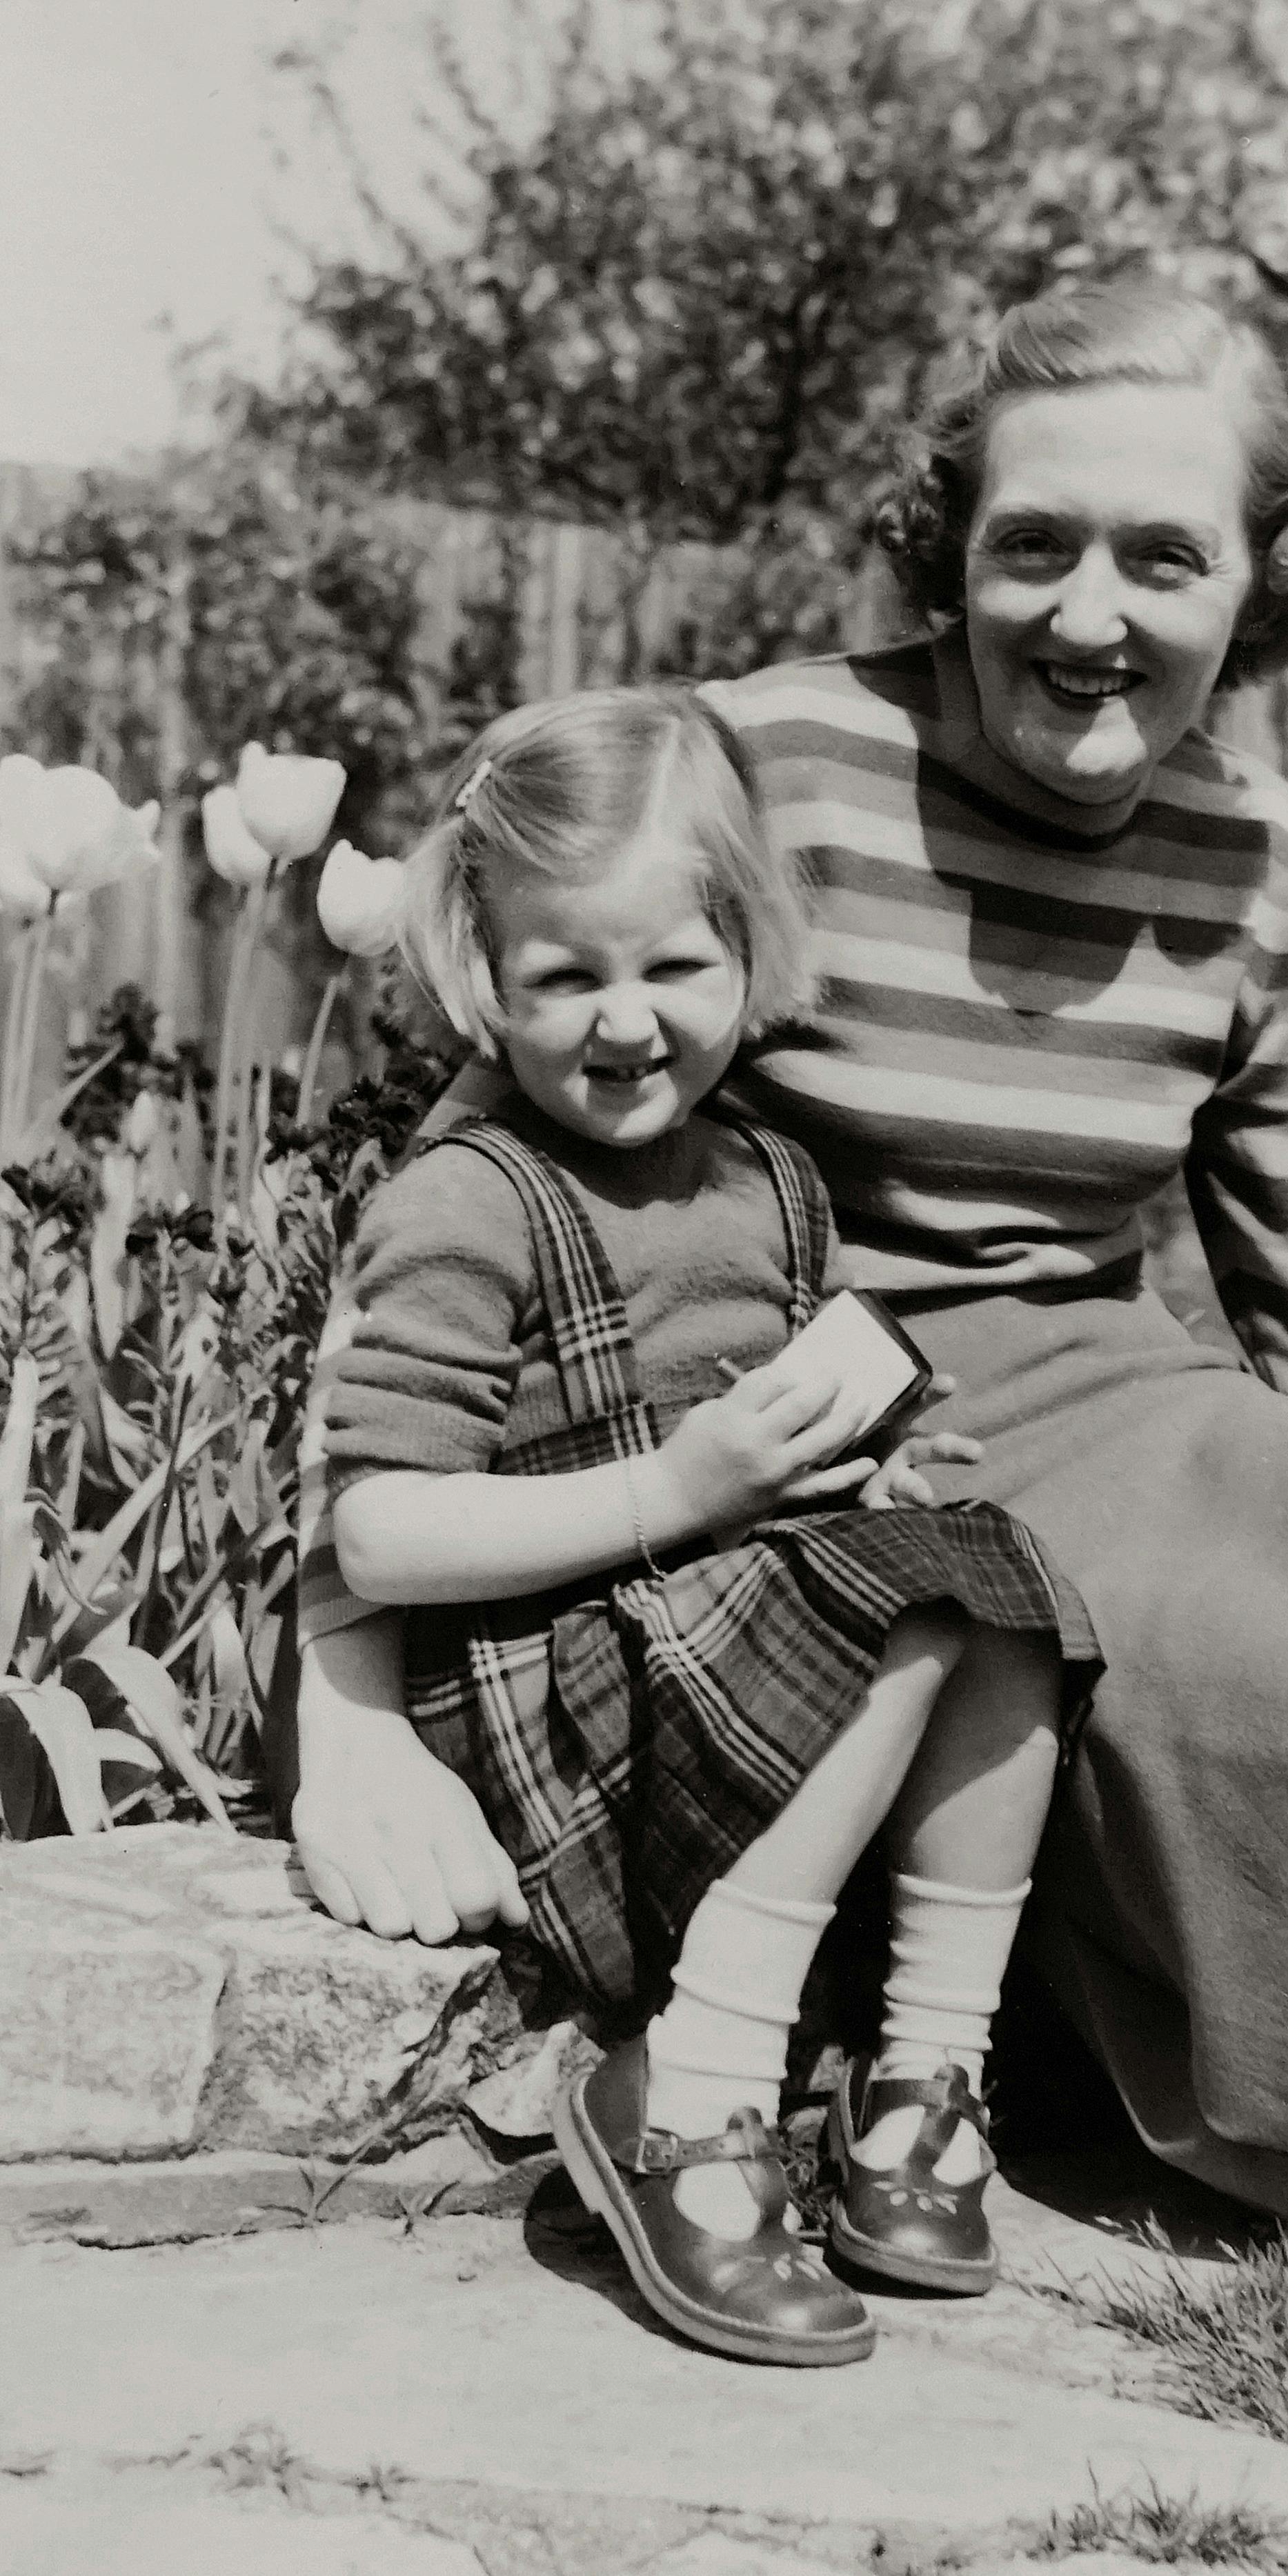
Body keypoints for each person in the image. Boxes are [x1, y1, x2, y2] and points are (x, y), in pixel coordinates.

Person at [295, 265, 1288, 2268]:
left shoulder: (1276, 857)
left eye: (1162, 556)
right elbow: (458, 1186)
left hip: (1136, 1393)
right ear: (945, 549)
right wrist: (341, 1691)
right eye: (1028, 546)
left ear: (1257, 582)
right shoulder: (762, 763)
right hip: (849, 1431)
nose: (1086, 614)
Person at [317, 685, 1101, 2366]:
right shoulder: (467, 1197)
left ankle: (920, 2073)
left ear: (749, 952)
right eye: (562, 977)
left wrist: (855, 1468)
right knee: (901, 1600)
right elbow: (376, 1534)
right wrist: (684, 1491)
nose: (622, 1021)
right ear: (484, 982)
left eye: (671, 965)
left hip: (706, 1660)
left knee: (1002, 1586)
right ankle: (699, 2077)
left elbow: (781, 1466)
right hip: (539, 1682)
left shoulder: (768, 1179)